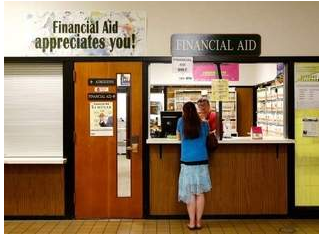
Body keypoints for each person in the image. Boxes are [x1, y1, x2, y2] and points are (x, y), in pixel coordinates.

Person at [176, 102, 212, 230]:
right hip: (202, 160)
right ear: (195, 110)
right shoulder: (204, 123)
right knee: (200, 193)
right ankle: (199, 222)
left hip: (187, 161)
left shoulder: (181, 121)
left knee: (190, 192)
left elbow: (178, 138)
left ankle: (191, 222)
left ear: (184, 111)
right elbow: (207, 137)